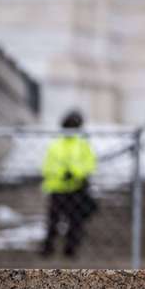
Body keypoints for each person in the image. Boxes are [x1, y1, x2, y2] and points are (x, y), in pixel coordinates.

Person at [40, 110, 97, 258]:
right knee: (53, 221)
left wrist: (75, 173)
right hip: (58, 188)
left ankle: (70, 249)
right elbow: (48, 166)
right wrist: (61, 174)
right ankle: (48, 248)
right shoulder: (56, 145)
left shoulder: (82, 144)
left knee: (75, 221)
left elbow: (89, 164)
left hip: (75, 188)